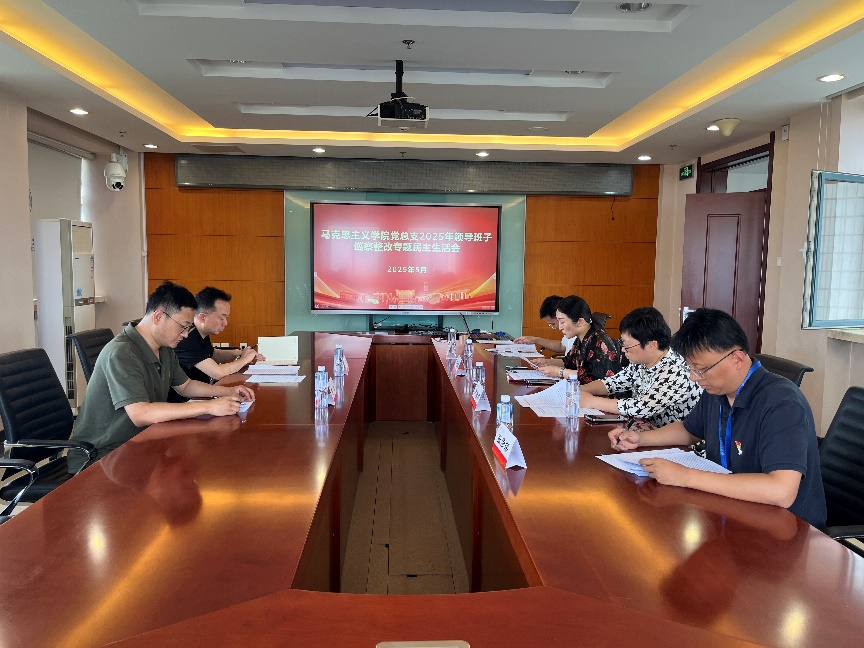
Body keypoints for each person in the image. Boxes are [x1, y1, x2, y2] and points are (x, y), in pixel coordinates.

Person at [608, 308, 826, 528]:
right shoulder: (717, 389)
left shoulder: (782, 403)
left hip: (783, 527)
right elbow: (689, 430)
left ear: (737, 359)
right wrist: (641, 438)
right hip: (730, 508)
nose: (694, 378)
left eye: (700, 370)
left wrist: (686, 476)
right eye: (690, 369)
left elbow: (781, 491)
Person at [67, 281, 255, 473]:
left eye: (189, 328)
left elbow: (185, 386)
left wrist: (227, 391)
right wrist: (209, 406)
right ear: (158, 316)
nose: (185, 335)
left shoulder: (164, 347)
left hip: (142, 440)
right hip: (104, 455)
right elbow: (141, 413)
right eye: (183, 327)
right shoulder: (122, 353)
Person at [579, 307, 702, 427]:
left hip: (674, 438)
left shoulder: (676, 370)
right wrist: (578, 391)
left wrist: (592, 401)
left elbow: (643, 407)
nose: (623, 350)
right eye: (622, 343)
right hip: (645, 431)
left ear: (652, 345)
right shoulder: (641, 363)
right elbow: (612, 383)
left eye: (627, 346)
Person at [174, 286, 264, 383]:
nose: (225, 323)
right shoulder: (185, 338)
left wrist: (238, 353)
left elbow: (212, 354)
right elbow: (218, 373)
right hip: (189, 392)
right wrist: (245, 359)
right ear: (203, 317)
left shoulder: (201, 333)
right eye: (222, 318)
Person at [538, 295, 625, 383]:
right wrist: (545, 362)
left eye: (562, 322)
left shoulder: (599, 342)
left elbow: (594, 377)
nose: (560, 327)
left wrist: (560, 372)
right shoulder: (581, 338)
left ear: (580, 322)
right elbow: (568, 362)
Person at [513, 295, 576, 364]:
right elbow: (561, 346)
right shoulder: (569, 331)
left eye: (553, 324)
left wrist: (558, 369)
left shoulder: (580, 336)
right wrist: (535, 340)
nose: (559, 328)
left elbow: (576, 367)